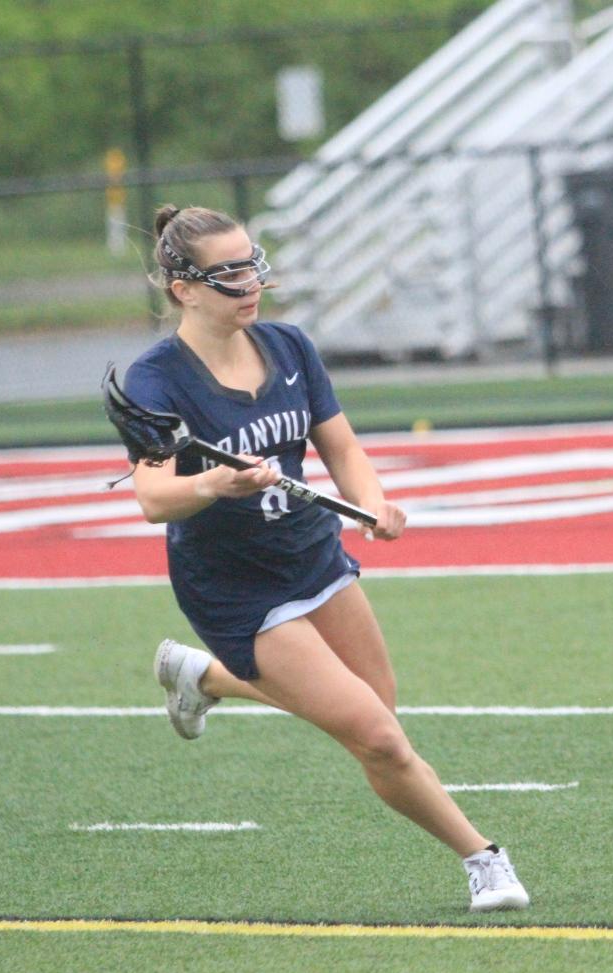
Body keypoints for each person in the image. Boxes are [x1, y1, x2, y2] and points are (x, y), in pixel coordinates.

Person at [121, 204, 529, 912]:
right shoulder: (156, 379)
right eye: (229, 274)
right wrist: (216, 481)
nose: (251, 282)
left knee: (379, 717)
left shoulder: (288, 346)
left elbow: (339, 444)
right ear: (182, 287)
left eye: (253, 264)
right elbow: (155, 498)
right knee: (378, 741)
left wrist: (371, 504)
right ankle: (484, 859)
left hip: (312, 555)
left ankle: (206, 678)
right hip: (233, 586)